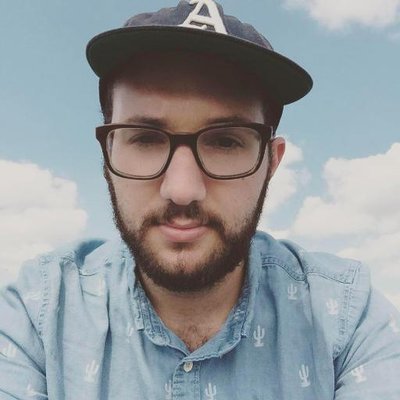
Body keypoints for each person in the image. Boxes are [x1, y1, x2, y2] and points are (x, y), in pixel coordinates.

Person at [1, 1, 399, 399]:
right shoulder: (37, 316)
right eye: (146, 139)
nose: (182, 189)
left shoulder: (347, 317)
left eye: (225, 141)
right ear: (107, 153)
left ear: (271, 163)